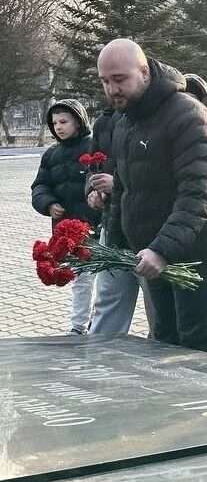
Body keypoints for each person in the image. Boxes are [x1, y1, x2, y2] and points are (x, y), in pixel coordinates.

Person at [98, 38, 207, 354]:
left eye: (119, 79)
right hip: (151, 251)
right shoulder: (124, 119)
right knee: (163, 338)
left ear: (144, 72)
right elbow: (123, 188)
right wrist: (115, 245)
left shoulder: (187, 114)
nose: (112, 89)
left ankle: (201, 389)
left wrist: (162, 250)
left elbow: (198, 192)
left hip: (197, 248)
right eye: (105, 81)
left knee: (194, 342)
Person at [31, 99, 101, 335]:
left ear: (78, 122)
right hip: (68, 232)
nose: (58, 127)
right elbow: (40, 186)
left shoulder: (93, 147)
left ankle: (97, 323)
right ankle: (79, 326)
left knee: (105, 280)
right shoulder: (51, 154)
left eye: (64, 121)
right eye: (54, 123)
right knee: (81, 278)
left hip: (97, 226)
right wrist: (49, 204)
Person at [86, 106, 154, 335]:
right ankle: (101, 355)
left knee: (158, 309)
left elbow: (165, 179)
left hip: (150, 231)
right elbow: (92, 169)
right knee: (108, 301)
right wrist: (93, 191)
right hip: (113, 226)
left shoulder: (160, 117)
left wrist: (117, 185)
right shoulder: (104, 122)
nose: (114, 90)